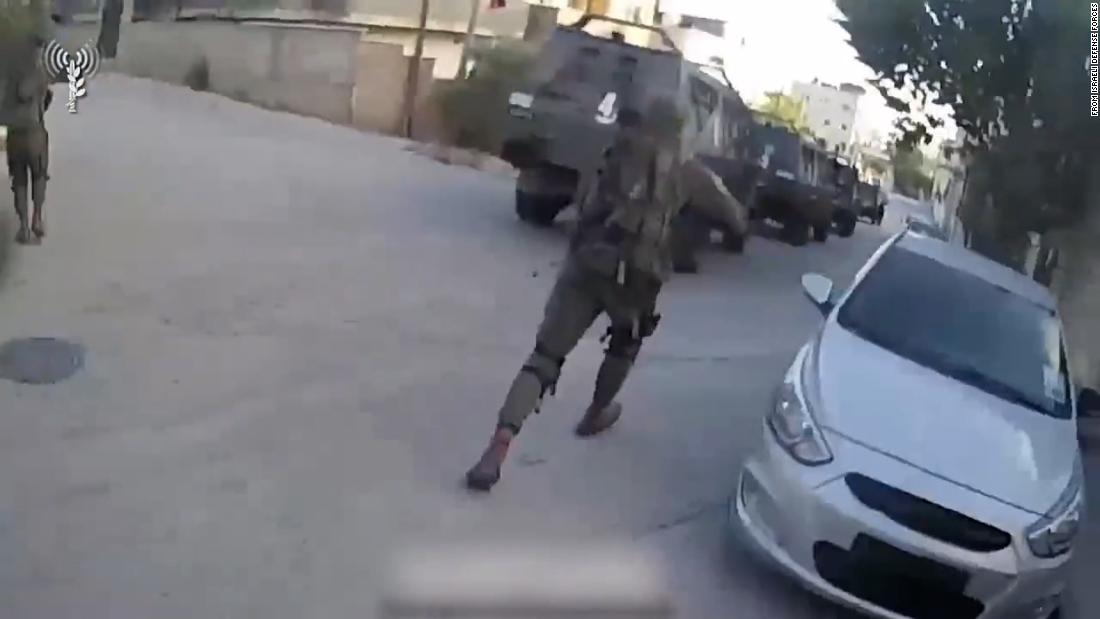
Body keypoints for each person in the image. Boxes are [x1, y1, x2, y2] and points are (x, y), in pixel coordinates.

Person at [465, 96, 748, 492]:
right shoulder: (690, 171)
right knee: (624, 344)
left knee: (545, 357)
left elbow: (585, 203)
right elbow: (734, 217)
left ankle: (498, 446)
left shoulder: (616, 153)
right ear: (679, 130)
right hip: (635, 279)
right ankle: (596, 412)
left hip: (587, 264)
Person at [5, 35, 53, 245]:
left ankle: (23, 226)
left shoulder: (9, 73)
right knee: (39, 176)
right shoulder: (40, 73)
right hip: (35, 133)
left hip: (15, 133)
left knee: (19, 180)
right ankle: (37, 218)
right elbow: (45, 101)